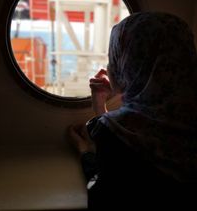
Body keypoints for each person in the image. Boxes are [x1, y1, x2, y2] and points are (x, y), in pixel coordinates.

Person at [68, 12, 197, 209]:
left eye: (115, 57)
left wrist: (84, 151)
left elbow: (103, 194)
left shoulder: (116, 132)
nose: (111, 65)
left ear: (131, 64)